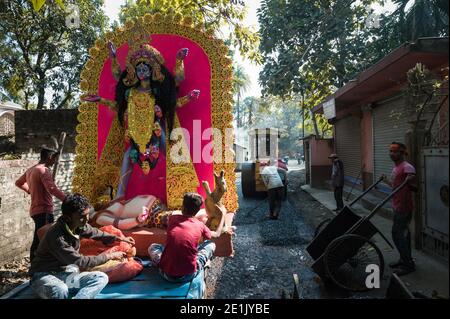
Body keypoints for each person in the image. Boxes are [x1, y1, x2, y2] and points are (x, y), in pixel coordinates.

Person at [82, 36, 200, 203]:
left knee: (172, 154)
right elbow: (119, 107)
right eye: (139, 68)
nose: (142, 71)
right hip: (135, 134)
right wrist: (101, 99)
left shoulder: (157, 91)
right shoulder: (130, 93)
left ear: (152, 71)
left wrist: (187, 94)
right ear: (134, 72)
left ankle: (182, 193)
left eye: (146, 68)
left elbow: (171, 105)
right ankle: (119, 194)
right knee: (126, 159)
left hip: (156, 131)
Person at [28, 193, 135, 299]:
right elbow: (81, 262)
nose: (87, 219)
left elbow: (95, 233)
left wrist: (120, 238)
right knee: (61, 290)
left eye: (87, 214)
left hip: (65, 274)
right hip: (43, 276)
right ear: (67, 218)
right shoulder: (57, 237)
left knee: (101, 278)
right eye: (82, 217)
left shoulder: (77, 225)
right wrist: (110, 256)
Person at [148, 192, 226, 283]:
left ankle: (163, 263)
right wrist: (223, 215)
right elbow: (217, 234)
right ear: (198, 210)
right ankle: (201, 263)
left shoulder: (172, 219)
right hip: (188, 275)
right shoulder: (200, 225)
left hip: (166, 273)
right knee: (211, 244)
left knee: (153, 247)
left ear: (182, 208)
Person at [15, 147, 67, 261]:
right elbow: (52, 189)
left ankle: (36, 265)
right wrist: (67, 199)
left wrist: (30, 190)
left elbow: (18, 182)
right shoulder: (43, 170)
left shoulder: (31, 170)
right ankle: (36, 266)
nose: (54, 162)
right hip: (44, 211)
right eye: (54, 159)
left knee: (40, 238)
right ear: (49, 157)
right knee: (42, 240)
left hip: (35, 211)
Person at [381, 142, 417, 276]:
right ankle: (404, 259)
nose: (392, 154)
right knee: (403, 234)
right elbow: (395, 186)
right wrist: (385, 180)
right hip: (397, 205)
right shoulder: (396, 168)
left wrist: (410, 180)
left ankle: (408, 264)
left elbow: (412, 181)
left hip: (404, 206)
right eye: (390, 151)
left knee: (397, 234)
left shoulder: (407, 167)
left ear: (402, 153)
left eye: (395, 151)